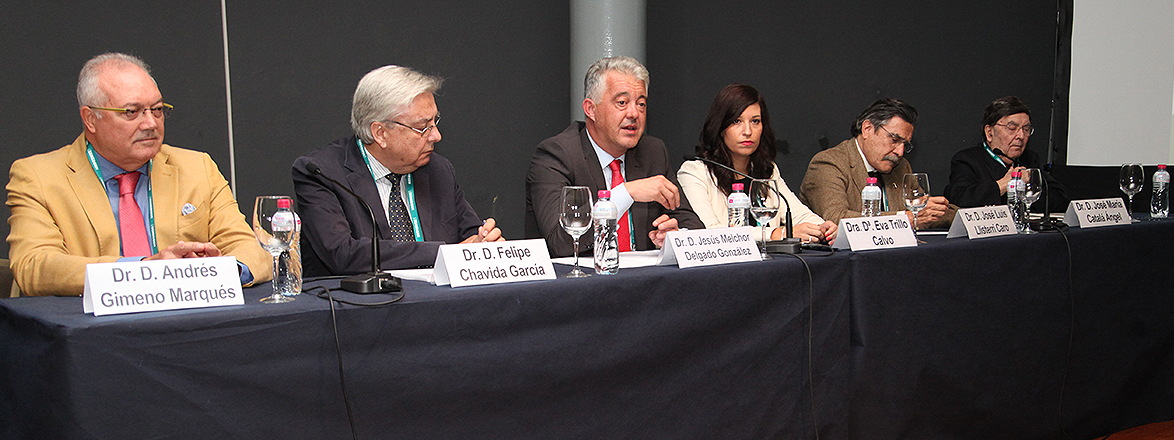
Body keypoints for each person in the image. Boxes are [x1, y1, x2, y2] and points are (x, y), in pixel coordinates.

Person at [6, 53, 270, 297]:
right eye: (131, 112)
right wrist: (143, 270)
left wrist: (220, 272)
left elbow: (250, 248)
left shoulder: (197, 167)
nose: (150, 123)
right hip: (95, 332)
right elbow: (35, 267)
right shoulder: (39, 176)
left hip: (189, 321)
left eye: (157, 110)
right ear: (90, 119)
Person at [292, 65, 502, 276]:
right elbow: (343, 253)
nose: (436, 136)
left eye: (434, 122)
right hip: (359, 306)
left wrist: (484, 241)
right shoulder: (322, 173)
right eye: (422, 127)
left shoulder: (438, 170)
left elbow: (471, 236)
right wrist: (443, 253)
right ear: (380, 133)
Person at [525, 56, 703, 257]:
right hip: (581, 285)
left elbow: (692, 224)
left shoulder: (653, 152)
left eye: (641, 104)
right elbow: (561, 242)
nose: (634, 113)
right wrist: (626, 193)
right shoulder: (557, 155)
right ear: (591, 109)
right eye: (622, 102)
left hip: (644, 282)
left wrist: (675, 236)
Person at [678, 84, 837, 244]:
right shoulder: (694, 172)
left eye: (755, 121)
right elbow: (709, 231)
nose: (747, 131)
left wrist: (823, 227)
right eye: (736, 121)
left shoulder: (768, 170)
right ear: (720, 128)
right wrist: (777, 234)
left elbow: (797, 213)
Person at [799, 98, 955, 228]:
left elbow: (924, 215)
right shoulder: (829, 163)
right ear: (867, 129)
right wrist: (905, 218)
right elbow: (836, 218)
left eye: (905, 145)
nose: (899, 152)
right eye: (894, 140)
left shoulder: (901, 167)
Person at [944, 96, 1069, 211]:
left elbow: (1060, 199)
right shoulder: (967, 160)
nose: (1020, 136)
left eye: (1026, 129)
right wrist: (1005, 184)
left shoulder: (1029, 159)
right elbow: (959, 199)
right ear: (989, 132)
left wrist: (1031, 184)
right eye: (1012, 128)